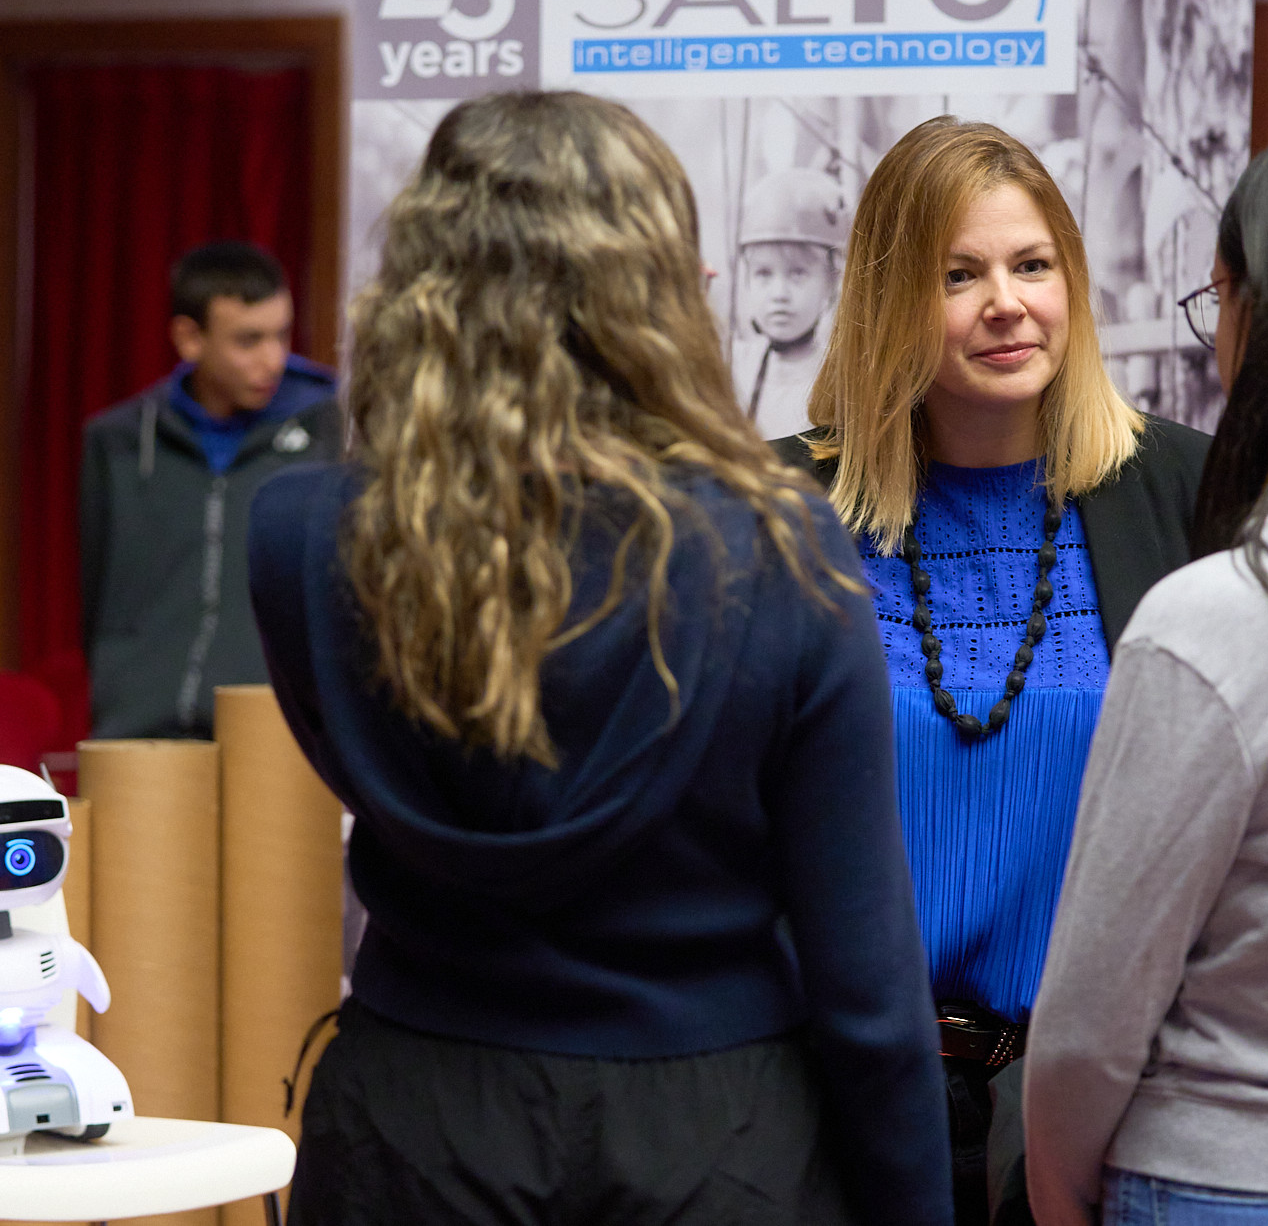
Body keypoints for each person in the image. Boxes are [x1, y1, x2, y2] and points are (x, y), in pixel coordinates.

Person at [247, 91, 952, 1226]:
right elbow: (865, 974)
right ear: (663, 291)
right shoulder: (779, 547)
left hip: (413, 1129)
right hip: (716, 1142)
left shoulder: (299, 536)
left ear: (424, 281)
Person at [771, 116, 1209, 1226]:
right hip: (827, 1103)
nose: (1006, 303)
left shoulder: (1187, 493)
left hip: (1103, 1108)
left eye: (1032, 265)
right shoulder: (772, 508)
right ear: (886, 302)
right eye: (957, 275)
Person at [1024, 117, 1268, 1225]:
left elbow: (1092, 1014)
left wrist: (1053, 1192)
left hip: (1231, 1176)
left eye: (1218, 298)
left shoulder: (1225, 614)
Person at [81, 240, 339, 739]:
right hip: (139, 732)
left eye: (282, 334)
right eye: (248, 340)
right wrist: (119, 688)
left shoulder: (327, 436)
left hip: (278, 730)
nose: (274, 359)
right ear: (189, 338)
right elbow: (99, 596)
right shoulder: (119, 441)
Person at [730, 167, 849, 439]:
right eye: (763, 273)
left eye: (797, 274)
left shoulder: (844, 380)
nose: (779, 293)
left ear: (832, 280)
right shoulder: (732, 368)